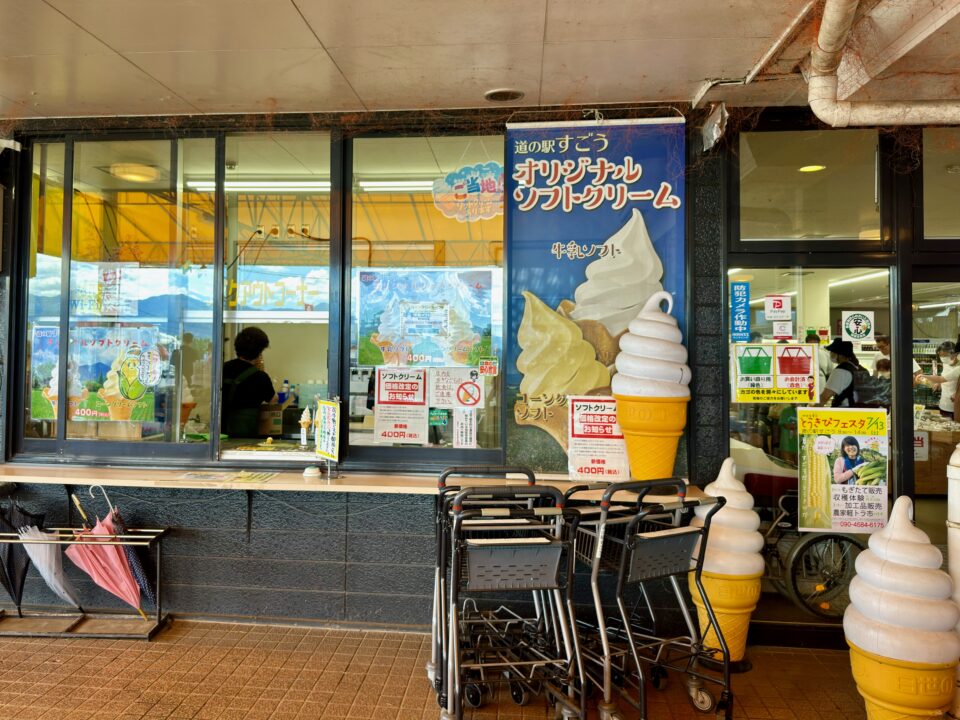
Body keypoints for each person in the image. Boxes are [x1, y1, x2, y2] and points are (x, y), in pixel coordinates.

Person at [221, 327, 276, 437]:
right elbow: (273, 400)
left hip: (220, 434)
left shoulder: (222, 368)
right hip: (246, 436)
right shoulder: (260, 376)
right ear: (259, 352)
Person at [919, 341, 959, 419]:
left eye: (945, 356)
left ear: (954, 354)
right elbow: (944, 377)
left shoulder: (958, 367)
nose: (943, 358)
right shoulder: (945, 363)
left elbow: (941, 379)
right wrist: (939, 384)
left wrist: (924, 376)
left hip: (955, 406)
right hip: (944, 404)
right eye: (941, 356)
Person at [820, 339, 861, 407]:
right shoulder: (853, 367)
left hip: (843, 411)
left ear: (841, 355)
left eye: (833, 352)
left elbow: (825, 396)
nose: (831, 354)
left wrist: (813, 409)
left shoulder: (840, 371)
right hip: (853, 408)